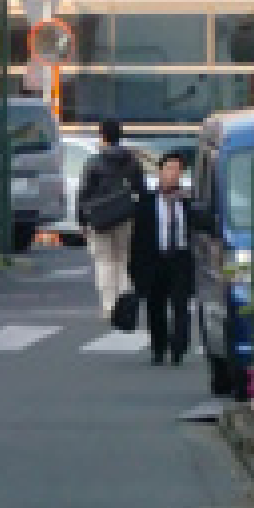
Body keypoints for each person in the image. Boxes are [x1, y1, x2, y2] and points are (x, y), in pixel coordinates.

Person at [127, 154, 212, 366]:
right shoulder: (147, 201)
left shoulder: (188, 201)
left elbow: (205, 225)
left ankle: (179, 347)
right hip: (155, 258)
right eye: (169, 168)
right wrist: (135, 267)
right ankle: (159, 347)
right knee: (156, 306)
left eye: (178, 170)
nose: (173, 174)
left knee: (181, 305)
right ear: (160, 171)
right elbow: (138, 237)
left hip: (181, 259)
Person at [79, 118, 145, 317]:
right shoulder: (132, 161)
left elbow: (84, 192)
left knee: (104, 261)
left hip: (100, 218)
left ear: (103, 136)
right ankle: (125, 305)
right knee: (123, 259)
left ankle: (109, 307)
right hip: (125, 216)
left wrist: (82, 220)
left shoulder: (94, 161)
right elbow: (140, 189)